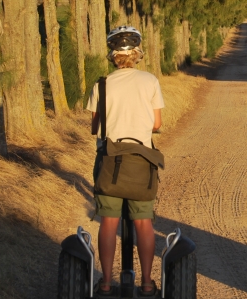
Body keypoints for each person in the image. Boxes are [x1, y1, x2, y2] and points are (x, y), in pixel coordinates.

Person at [87, 25, 165, 297]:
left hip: (110, 162)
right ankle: (146, 283)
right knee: (144, 223)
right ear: (137, 53)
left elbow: (95, 127)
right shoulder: (150, 81)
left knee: (108, 222)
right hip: (141, 162)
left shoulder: (102, 84)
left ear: (113, 55)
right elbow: (156, 124)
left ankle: (106, 283)